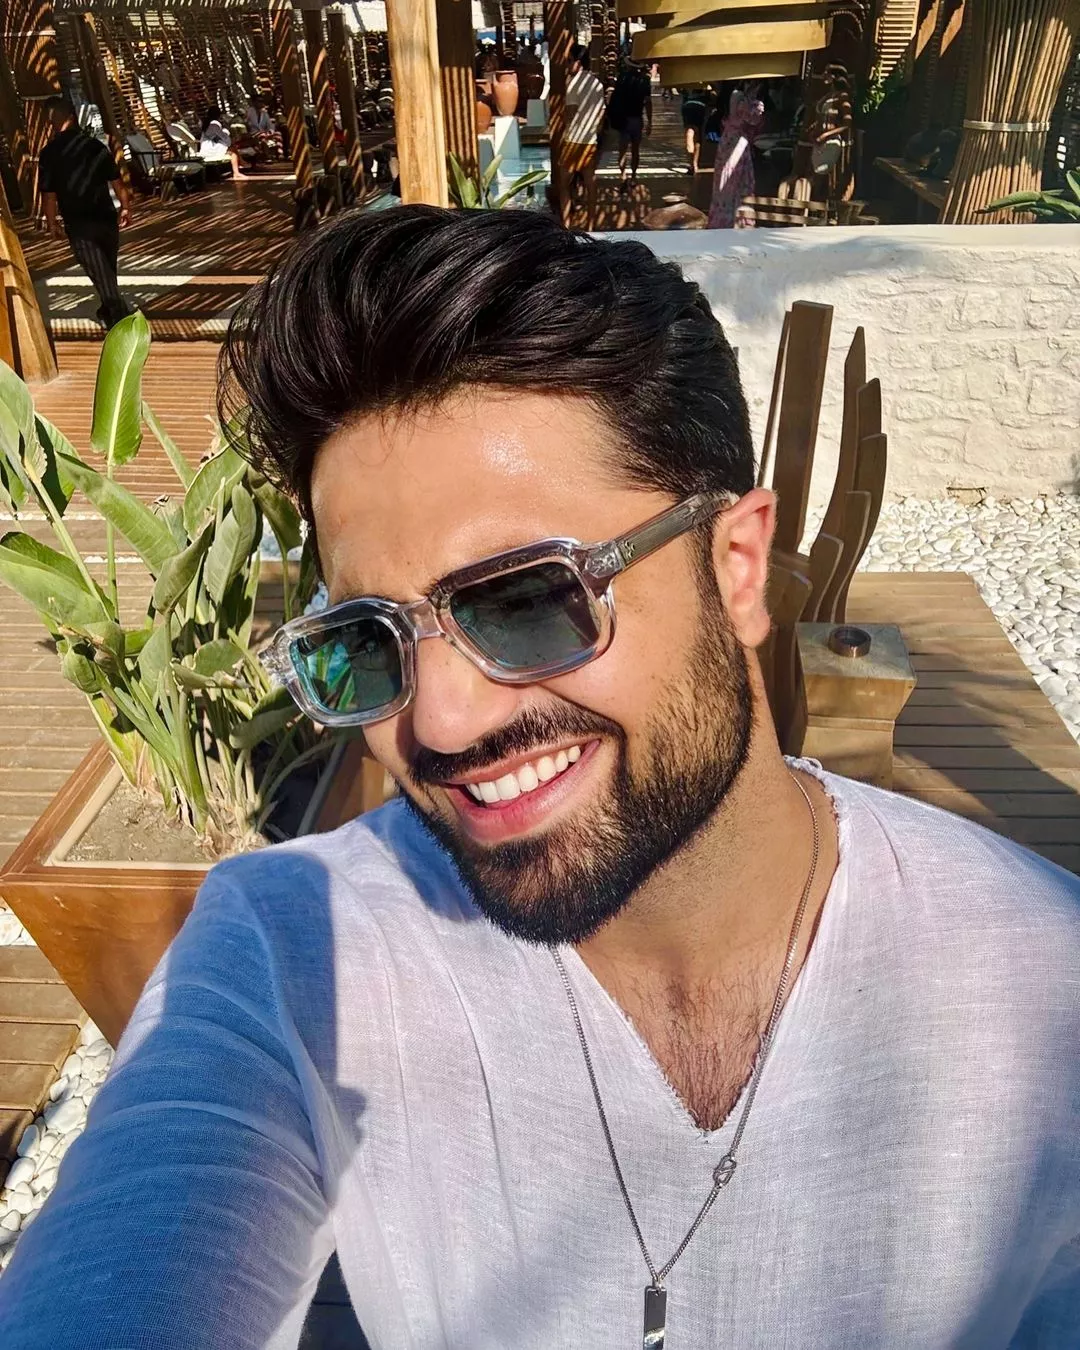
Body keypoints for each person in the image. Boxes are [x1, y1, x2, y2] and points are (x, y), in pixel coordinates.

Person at [2, 209, 1079, 1349]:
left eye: (528, 599)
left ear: (737, 565)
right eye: (367, 642)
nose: (441, 719)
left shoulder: (1040, 985)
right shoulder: (289, 953)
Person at [37, 96, 132, 330]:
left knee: (100, 270)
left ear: (51, 122)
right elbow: (116, 181)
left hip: (79, 223)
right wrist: (125, 207)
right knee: (106, 268)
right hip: (106, 217)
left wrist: (52, 223)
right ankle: (108, 308)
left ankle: (120, 320)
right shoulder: (94, 146)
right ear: (72, 117)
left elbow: (49, 195)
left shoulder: (49, 154)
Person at [560, 43, 606, 228]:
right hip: (590, 140)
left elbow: (570, 113)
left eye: (569, 61)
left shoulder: (573, 84)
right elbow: (602, 113)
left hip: (573, 139)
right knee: (590, 182)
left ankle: (566, 225)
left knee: (563, 184)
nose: (567, 65)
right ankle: (591, 224)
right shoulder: (597, 84)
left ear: (578, 62)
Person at [707, 89, 765, 228]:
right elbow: (753, 119)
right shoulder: (739, 97)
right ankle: (734, 220)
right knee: (737, 182)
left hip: (727, 141)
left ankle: (721, 218)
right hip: (737, 143)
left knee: (724, 180)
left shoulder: (728, 97)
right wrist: (757, 104)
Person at [605, 58, 652, 192]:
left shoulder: (622, 78)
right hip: (637, 118)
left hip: (623, 118)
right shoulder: (644, 80)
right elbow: (648, 102)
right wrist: (650, 121)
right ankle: (634, 176)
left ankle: (623, 176)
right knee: (635, 149)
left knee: (623, 149)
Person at [680, 85, 711, 174]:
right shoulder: (704, 82)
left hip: (688, 106)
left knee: (690, 134)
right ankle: (695, 163)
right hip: (700, 107)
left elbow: (680, 90)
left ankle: (691, 164)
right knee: (697, 135)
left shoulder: (687, 81)